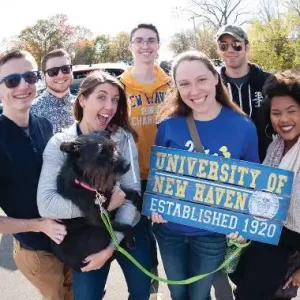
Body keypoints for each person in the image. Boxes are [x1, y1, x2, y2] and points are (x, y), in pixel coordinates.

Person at [152, 51, 259, 300]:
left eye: (201, 80)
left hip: (212, 234)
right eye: (185, 84)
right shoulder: (169, 125)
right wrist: (155, 205)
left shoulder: (243, 127)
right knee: (178, 293)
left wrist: (241, 224)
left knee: (199, 295)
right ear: (177, 88)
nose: (195, 91)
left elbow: (252, 184)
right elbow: (159, 178)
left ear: (215, 78)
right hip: (170, 231)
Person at [37, 71, 151, 300]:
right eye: (101, 97)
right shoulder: (62, 143)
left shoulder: (122, 137)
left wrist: (111, 247)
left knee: (141, 292)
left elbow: (132, 192)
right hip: (87, 233)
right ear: (82, 99)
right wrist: (102, 207)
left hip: (128, 223)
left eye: (115, 99)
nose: (110, 106)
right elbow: (47, 204)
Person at [0, 50, 72, 299]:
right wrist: (38, 225)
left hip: (69, 240)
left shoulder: (44, 124)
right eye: (12, 81)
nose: (23, 85)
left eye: (30, 77)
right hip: (37, 252)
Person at [232, 71, 300, 300]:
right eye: (276, 113)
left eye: (292, 111)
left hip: (290, 250)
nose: (284, 119)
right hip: (264, 240)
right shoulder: (275, 146)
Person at [120, 23, 170, 299]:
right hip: (134, 176)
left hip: (167, 174)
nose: (145, 46)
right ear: (131, 46)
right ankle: (150, 290)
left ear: (158, 45)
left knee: (170, 236)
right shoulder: (120, 85)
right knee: (142, 240)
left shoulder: (171, 82)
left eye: (151, 40)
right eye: (139, 40)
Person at [216, 24, 272, 162]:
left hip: (265, 162)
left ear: (246, 47)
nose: (230, 50)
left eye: (236, 44)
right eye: (224, 45)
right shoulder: (213, 84)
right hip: (227, 165)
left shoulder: (269, 81)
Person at [31, 49, 75, 133]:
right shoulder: (32, 111)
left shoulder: (83, 106)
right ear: (43, 76)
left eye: (65, 69)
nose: (61, 75)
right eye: (53, 71)